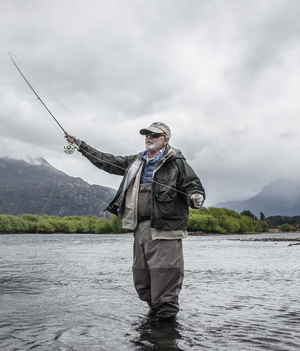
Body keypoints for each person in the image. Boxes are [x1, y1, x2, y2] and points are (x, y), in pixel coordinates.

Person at [65, 122, 205, 320]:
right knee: (142, 278)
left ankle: (165, 327)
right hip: (140, 228)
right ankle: (153, 317)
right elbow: (105, 161)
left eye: (154, 135)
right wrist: (80, 145)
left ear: (166, 139)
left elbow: (194, 186)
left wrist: (196, 198)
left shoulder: (177, 163)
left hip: (166, 229)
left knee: (165, 276)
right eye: (147, 134)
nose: (149, 137)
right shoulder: (135, 162)